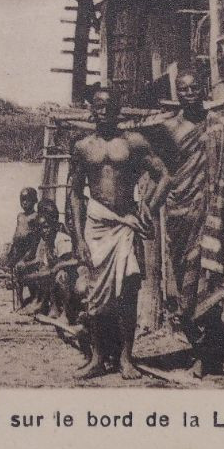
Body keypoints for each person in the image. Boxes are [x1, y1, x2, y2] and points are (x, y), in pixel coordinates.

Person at [141, 71, 224, 376]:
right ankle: (201, 356)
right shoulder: (168, 128)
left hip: (214, 214)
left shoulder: (221, 126)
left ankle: (218, 357)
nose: (188, 93)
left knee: (218, 286)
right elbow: (159, 174)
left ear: (203, 90)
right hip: (181, 216)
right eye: (182, 89)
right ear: (177, 93)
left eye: (194, 87)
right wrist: (148, 210)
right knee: (187, 292)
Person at [69, 83, 169, 379]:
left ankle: (127, 359)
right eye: (98, 106)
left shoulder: (134, 143)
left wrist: (148, 208)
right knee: (96, 295)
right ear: (91, 110)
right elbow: (75, 193)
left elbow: (164, 176)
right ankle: (98, 358)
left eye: (109, 106)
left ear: (117, 111)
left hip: (125, 223)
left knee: (128, 291)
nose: (103, 111)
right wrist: (77, 238)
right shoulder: (83, 147)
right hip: (97, 226)